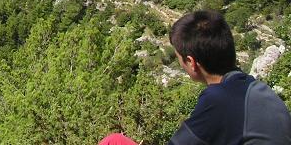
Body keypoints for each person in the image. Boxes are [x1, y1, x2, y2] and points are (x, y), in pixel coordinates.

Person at [99, 10, 291, 145]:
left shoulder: (219, 99)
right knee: (115, 140)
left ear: (192, 62)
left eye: (179, 58)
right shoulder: (255, 88)